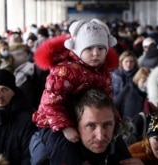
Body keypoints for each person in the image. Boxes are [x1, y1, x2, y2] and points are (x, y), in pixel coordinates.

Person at [32, 18, 118, 146]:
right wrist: (65, 126)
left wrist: (115, 118)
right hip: (52, 123)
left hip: (88, 122)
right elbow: (50, 103)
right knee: (64, 149)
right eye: (89, 49)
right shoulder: (65, 71)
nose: (96, 53)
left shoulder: (104, 72)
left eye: (101, 48)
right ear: (77, 49)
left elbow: (107, 100)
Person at [30, 88, 143, 165]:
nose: (100, 136)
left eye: (107, 125)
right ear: (75, 125)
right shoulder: (51, 156)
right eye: (91, 126)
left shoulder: (116, 142)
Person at [112, 50, 139, 118]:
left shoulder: (138, 75)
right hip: (116, 106)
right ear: (121, 62)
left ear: (135, 63)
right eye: (126, 61)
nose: (129, 64)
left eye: (131, 62)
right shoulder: (115, 75)